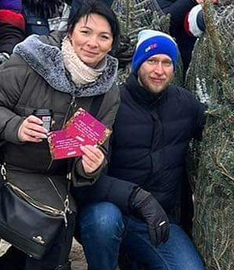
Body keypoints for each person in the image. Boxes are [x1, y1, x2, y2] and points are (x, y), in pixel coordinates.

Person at [0, 0, 121, 270]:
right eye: (85, 32)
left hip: (53, 179)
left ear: (111, 44)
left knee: (58, 228)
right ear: (70, 32)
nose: (93, 43)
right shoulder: (31, 62)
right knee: (46, 232)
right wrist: (15, 126)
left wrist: (90, 166)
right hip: (5, 166)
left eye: (104, 37)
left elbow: (98, 147)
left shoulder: (108, 92)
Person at [76, 30, 205, 270]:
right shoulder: (109, 102)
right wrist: (139, 199)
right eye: (152, 61)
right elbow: (82, 180)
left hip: (158, 220)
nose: (159, 70)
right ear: (137, 65)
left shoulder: (186, 105)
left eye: (167, 63)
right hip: (110, 211)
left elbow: (216, 128)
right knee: (103, 221)